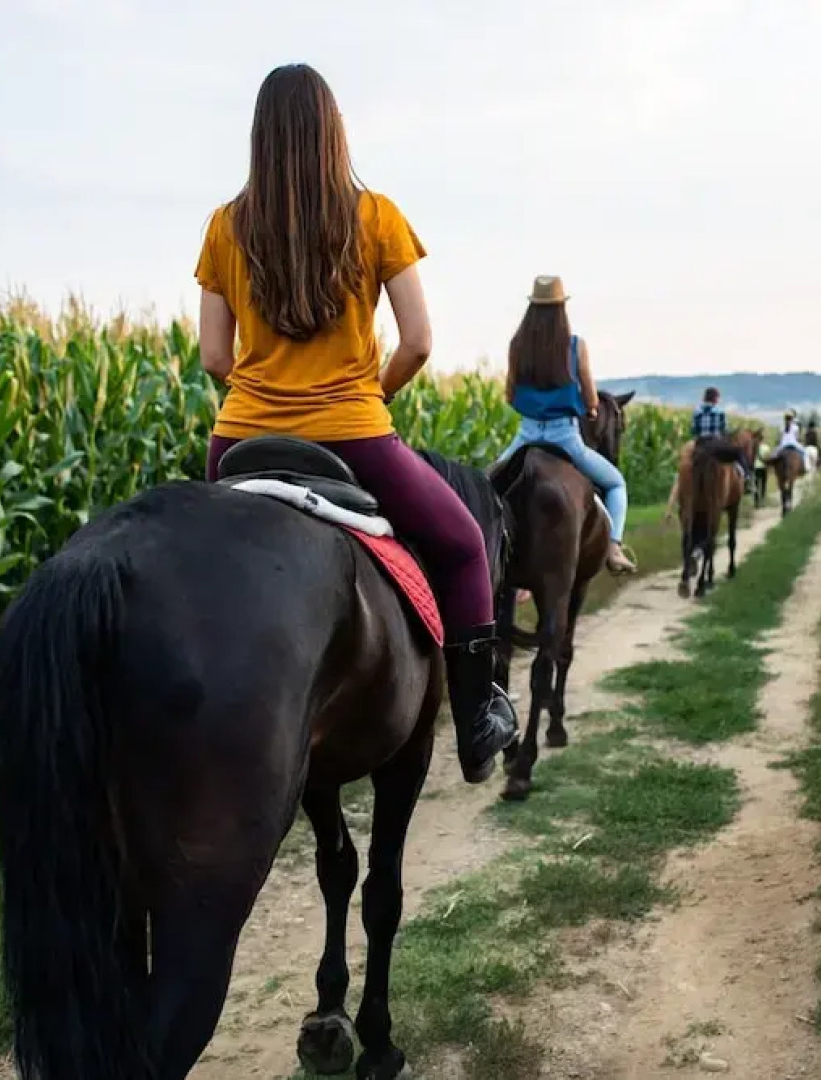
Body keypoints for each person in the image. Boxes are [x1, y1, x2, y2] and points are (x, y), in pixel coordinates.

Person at [193, 63, 517, 784]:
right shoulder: (376, 218)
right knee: (464, 545)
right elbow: (419, 343)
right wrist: (367, 394)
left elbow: (216, 356)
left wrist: (264, 392)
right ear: (333, 132)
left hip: (239, 441)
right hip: (352, 434)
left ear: (260, 137)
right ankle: (475, 718)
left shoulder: (225, 225)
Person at [494, 275, 636, 575]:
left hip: (527, 435)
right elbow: (590, 395)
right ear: (561, 309)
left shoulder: (517, 346)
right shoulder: (575, 346)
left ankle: (485, 549)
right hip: (565, 437)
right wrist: (593, 409)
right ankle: (613, 547)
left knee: (486, 486)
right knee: (615, 484)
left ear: (531, 308)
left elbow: (510, 394)